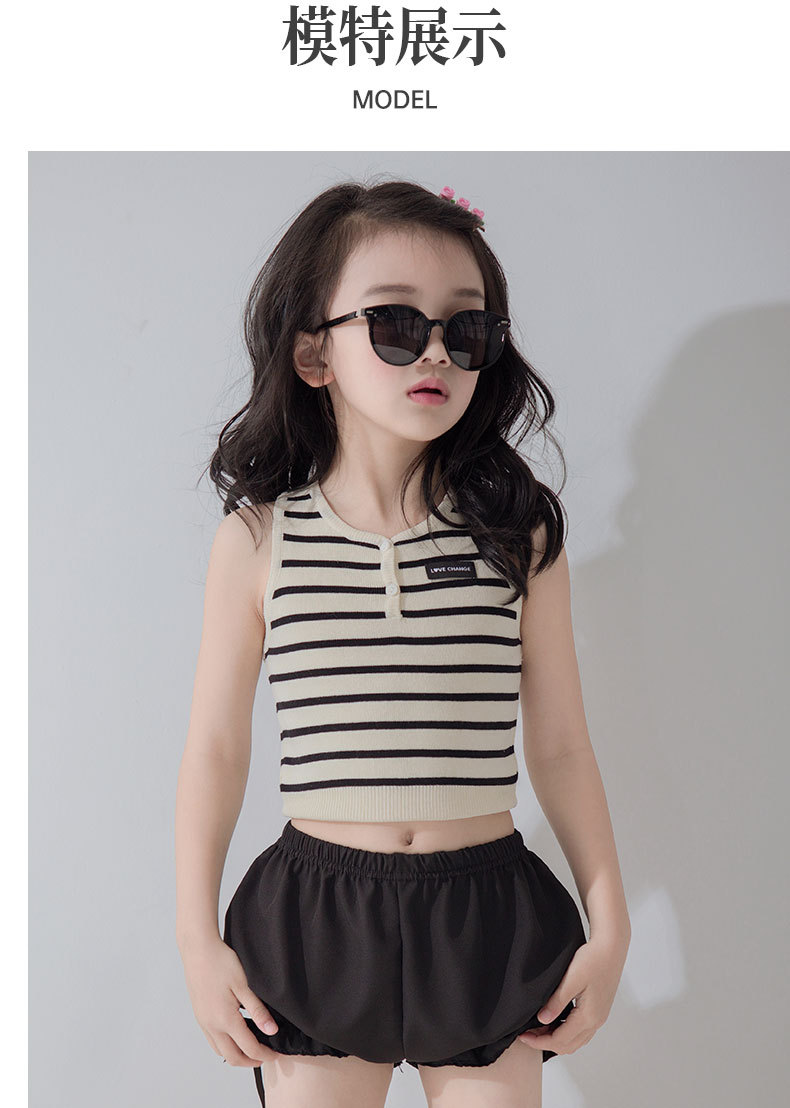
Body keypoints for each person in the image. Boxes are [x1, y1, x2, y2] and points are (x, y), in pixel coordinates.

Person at [175, 178, 631, 1108]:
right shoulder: (260, 540)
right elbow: (216, 750)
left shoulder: (520, 537)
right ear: (314, 352)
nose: (435, 352)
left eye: (467, 330)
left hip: (487, 920)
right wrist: (196, 937)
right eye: (394, 324)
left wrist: (611, 922)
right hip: (317, 924)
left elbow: (560, 746)